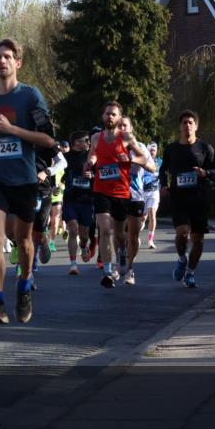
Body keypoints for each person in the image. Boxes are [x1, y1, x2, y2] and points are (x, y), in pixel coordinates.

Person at [0, 38, 56, 324]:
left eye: (8, 56)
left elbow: (48, 140)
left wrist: (13, 130)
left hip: (24, 178)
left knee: (23, 240)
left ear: (17, 63)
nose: (2, 61)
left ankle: (23, 286)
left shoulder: (30, 97)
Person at [86, 102, 147, 289]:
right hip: (101, 190)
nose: (110, 117)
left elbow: (144, 158)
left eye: (113, 114)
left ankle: (121, 252)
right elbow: (93, 155)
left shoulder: (127, 137)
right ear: (103, 116)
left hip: (121, 192)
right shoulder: (96, 138)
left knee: (120, 234)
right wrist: (89, 163)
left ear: (119, 118)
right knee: (104, 229)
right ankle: (107, 271)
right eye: (107, 114)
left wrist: (131, 158)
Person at [161, 110, 215, 288]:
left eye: (190, 122)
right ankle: (181, 259)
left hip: (199, 198)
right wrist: (163, 185)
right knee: (182, 233)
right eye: (184, 122)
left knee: (198, 239)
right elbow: (162, 169)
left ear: (196, 126)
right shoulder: (171, 149)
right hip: (179, 198)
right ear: (180, 126)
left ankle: (191, 273)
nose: (187, 125)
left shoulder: (205, 148)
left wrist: (206, 172)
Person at [115, 116, 155, 285]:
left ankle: (130, 269)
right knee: (117, 234)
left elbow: (152, 167)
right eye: (119, 125)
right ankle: (121, 254)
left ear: (131, 128)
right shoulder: (111, 146)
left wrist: (133, 160)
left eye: (125, 125)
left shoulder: (140, 148)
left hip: (136, 196)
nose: (122, 128)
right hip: (116, 195)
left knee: (133, 234)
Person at [61, 131, 94, 275]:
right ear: (75, 143)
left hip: (87, 199)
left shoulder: (91, 157)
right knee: (73, 230)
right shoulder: (65, 158)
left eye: (88, 140)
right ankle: (73, 264)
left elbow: (98, 174)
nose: (87, 143)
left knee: (84, 234)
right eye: (84, 140)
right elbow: (59, 174)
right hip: (70, 199)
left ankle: (84, 245)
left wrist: (91, 175)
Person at [143, 142, 161, 249]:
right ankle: (135, 234)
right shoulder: (142, 160)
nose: (152, 152)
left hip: (154, 191)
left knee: (152, 214)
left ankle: (150, 241)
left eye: (154, 150)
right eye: (150, 150)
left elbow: (164, 173)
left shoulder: (160, 162)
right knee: (142, 220)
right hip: (142, 192)